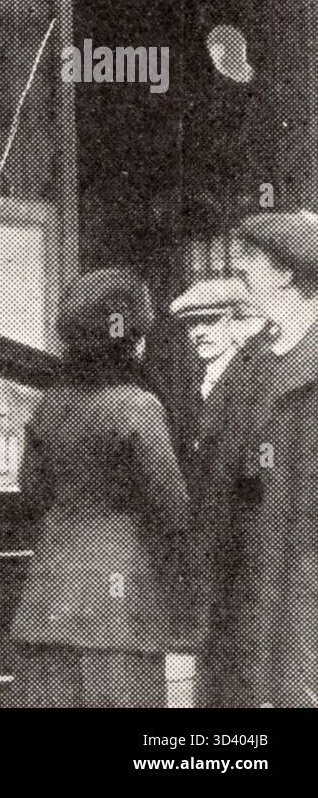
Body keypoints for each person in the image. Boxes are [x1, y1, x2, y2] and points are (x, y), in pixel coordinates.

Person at [11, 267, 189, 707]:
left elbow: (30, 491)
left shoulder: (49, 405)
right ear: (135, 341)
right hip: (118, 606)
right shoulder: (137, 406)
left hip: (46, 598)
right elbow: (173, 508)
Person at [207, 211, 318, 707]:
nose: (243, 270)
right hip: (244, 571)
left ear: (287, 272)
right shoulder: (252, 357)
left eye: (253, 259)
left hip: (300, 574)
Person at [167, 276, 270, 706]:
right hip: (216, 551)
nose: (200, 333)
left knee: (237, 672)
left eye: (211, 322)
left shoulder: (252, 377)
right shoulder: (209, 380)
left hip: (239, 552)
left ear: (239, 323)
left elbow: (256, 472)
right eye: (192, 326)